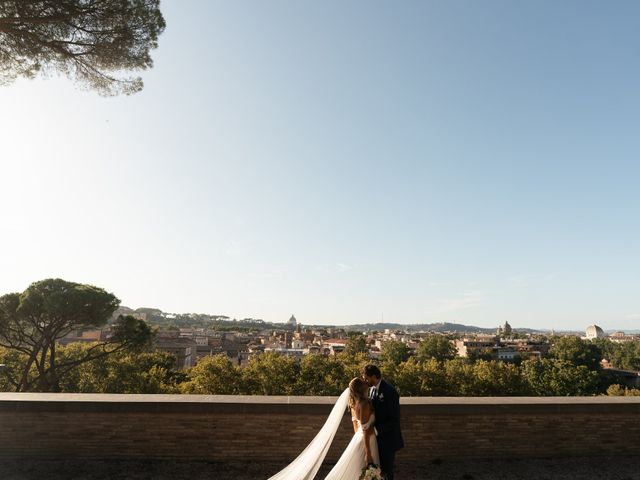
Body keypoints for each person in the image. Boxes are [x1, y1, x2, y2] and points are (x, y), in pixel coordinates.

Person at [267, 378, 380, 480]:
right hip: (368, 441)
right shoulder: (364, 404)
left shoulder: (355, 405)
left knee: (358, 472)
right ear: (360, 388)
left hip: (359, 439)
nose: (366, 382)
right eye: (363, 382)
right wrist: (368, 452)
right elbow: (365, 429)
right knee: (363, 471)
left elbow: (356, 428)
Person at [362, 364, 404, 480]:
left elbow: (394, 420)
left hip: (388, 440)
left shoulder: (390, 391)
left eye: (366, 378)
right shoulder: (371, 390)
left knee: (387, 472)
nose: (365, 381)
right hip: (376, 440)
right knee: (377, 471)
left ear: (374, 376)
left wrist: (375, 430)